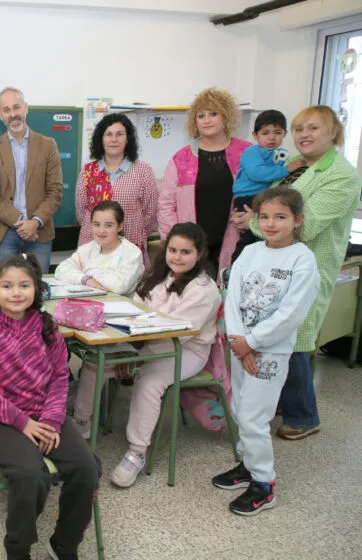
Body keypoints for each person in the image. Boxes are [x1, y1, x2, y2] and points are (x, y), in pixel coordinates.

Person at [236, 105, 362, 441]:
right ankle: (279, 401)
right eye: (299, 129)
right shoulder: (294, 168)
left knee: (294, 339)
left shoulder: (342, 175)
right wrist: (259, 218)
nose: (304, 135)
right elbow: (271, 209)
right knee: (275, 335)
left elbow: (305, 227)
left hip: (307, 267)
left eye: (313, 128)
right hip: (272, 264)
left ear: (333, 132)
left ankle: (304, 416)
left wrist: (252, 221)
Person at [0, 254, 100, 560]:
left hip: (46, 414)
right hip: (3, 419)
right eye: (7, 285)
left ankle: (64, 543)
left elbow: (60, 377)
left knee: (87, 468)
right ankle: (18, 549)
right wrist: (23, 423)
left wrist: (51, 419)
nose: (16, 292)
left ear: (36, 289)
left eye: (24, 285)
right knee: (30, 475)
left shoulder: (48, 328)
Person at [213, 187, 318, 516]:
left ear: (298, 220)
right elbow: (231, 296)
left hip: (268, 353)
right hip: (239, 344)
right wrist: (237, 340)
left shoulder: (302, 260)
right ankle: (247, 465)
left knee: (254, 417)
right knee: (237, 406)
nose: (271, 224)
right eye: (265, 217)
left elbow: (291, 313)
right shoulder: (251, 252)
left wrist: (252, 343)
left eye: (281, 217)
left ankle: (264, 484)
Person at [108, 223, 221, 488]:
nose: (177, 257)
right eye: (172, 250)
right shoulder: (159, 275)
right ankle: (81, 423)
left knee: (149, 382)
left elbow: (179, 334)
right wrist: (128, 351)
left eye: (185, 252)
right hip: (145, 342)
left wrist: (137, 357)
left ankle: (137, 451)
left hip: (187, 350)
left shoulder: (203, 289)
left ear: (200, 254)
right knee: (96, 364)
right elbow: (133, 308)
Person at [157, 88, 251, 277]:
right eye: (201, 115)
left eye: (213, 114)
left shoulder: (247, 152)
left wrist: (255, 217)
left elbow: (265, 194)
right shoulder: (181, 158)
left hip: (237, 240)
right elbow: (166, 204)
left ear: (226, 117)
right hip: (191, 246)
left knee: (228, 294)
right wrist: (174, 242)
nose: (207, 120)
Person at [0, 87, 64, 273]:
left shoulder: (48, 145)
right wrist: (20, 221)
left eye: (16, 107)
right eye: (6, 109)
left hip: (39, 232)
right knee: (6, 288)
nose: (13, 114)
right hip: (4, 232)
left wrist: (34, 222)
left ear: (26, 108)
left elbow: (55, 191)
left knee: (37, 290)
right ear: (0, 114)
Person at [76, 113, 157, 261]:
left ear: (128, 139)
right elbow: (82, 211)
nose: (114, 139)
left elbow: (150, 213)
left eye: (119, 134)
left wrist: (137, 231)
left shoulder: (143, 170)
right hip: (93, 247)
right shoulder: (88, 171)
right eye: (108, 134)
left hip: (130, 246)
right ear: (101, 139)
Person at [229, 110, 304, 263]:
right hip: (248, 197)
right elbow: (257, 173)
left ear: (284, 134)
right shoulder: (252, 152)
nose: (271, 137)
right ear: (255, 135)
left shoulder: (280, 154)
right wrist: (286, 169)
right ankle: (235, 266)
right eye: (265, 133)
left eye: (277, 132)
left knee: (262, 237)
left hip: (264, 198)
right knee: (249, 237)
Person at [54, 200, 144, 295]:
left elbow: (120, 287)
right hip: (89, 304)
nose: (101, 231)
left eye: (108, 225)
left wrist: (89, 272)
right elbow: (60, 270)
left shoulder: (132, 253)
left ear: (120, 226)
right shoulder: (88, 249)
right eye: (96, 225)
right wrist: (86, 279)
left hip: (119, 306)